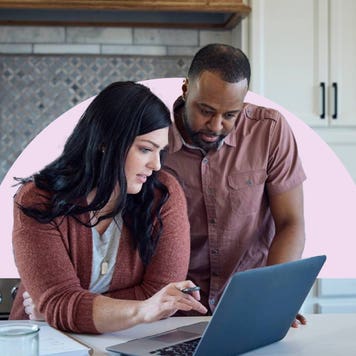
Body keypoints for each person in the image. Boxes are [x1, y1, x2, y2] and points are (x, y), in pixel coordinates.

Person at [9, 81, 207, 334]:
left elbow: (162, 297)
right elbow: (60, 303)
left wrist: (67, 308)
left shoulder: (164, 195)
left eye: (161, 151)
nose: (156, 165)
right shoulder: (37, 199)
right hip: (46, 341)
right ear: (105, 141)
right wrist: (62, 307)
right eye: (146, 149)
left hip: (129, 340)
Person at [163, 44, 307, 326]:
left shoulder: (270, 130)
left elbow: (291, 222)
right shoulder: (154, 138)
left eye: (230, 115)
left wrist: (275, 296)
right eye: (205, 110)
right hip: (174, 311)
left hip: (249, 306)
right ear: (185, 89)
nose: (216, 125)